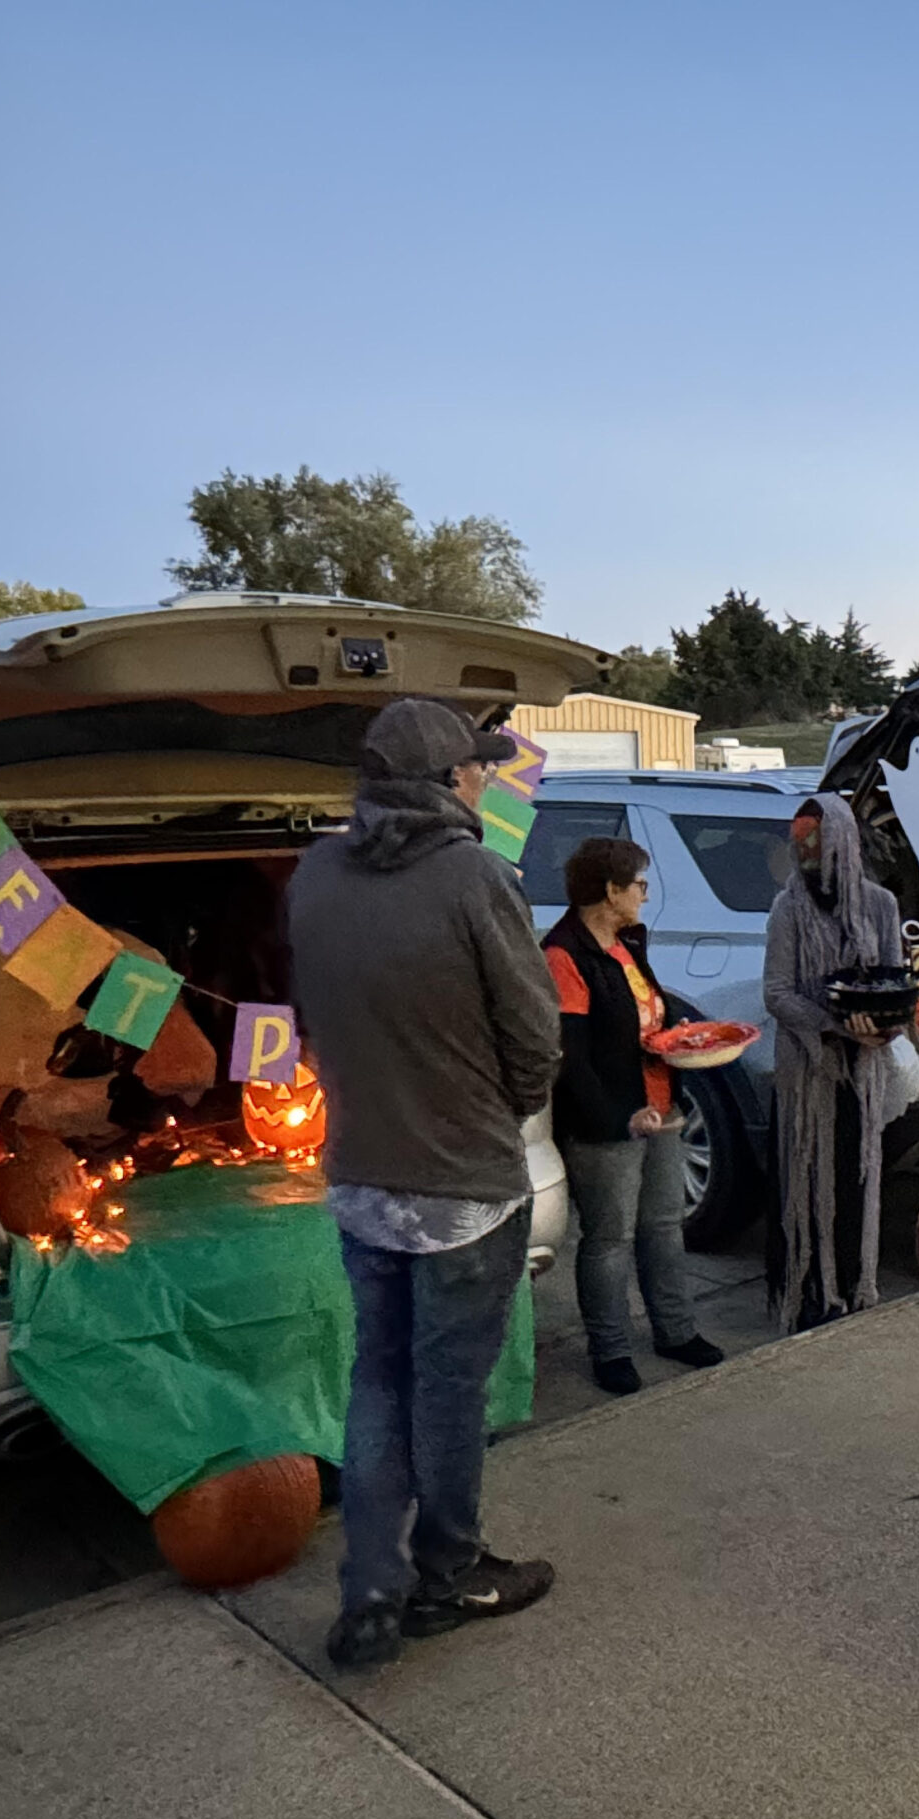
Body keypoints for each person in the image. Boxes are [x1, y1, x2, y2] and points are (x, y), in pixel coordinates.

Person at [288, 698, 562, 1671]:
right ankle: (448, 1575)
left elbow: (308, 1020)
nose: (486, 780)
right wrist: (499, 1114)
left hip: (362, 1176)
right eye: (478, 768)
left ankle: (371, 1590)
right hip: (463, 1190)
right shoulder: (474, 877)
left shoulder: (314, 874)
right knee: (447, 1393)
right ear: (449, 782)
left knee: (377, 1382)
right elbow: (534, 1037)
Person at [541, 836, 724, 1396]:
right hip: (607, 1124)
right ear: (610, 890)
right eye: (639, 884)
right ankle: (611, 1349)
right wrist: (619, 1115)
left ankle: (676, 1330)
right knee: (609, 1238)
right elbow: (571, 1057)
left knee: (663, 1227)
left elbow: (643, 1021)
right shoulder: (564, 955)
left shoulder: (625, 943)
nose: (645, 894)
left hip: (660, 1106)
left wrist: (676, 1043)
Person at [763, 797, 908, 1330]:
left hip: (862, 1070)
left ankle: (851, 1285)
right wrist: (835, 1025)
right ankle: (809, 1293)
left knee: (856, 1176)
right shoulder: (788, 909)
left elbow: (894, 979)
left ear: (843, 841)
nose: (807, 852)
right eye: (799, 842)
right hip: (808, 1069)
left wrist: (887, 1025)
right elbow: (777, 992)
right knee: (805, 1179)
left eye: (816, 841)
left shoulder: (880, 906)